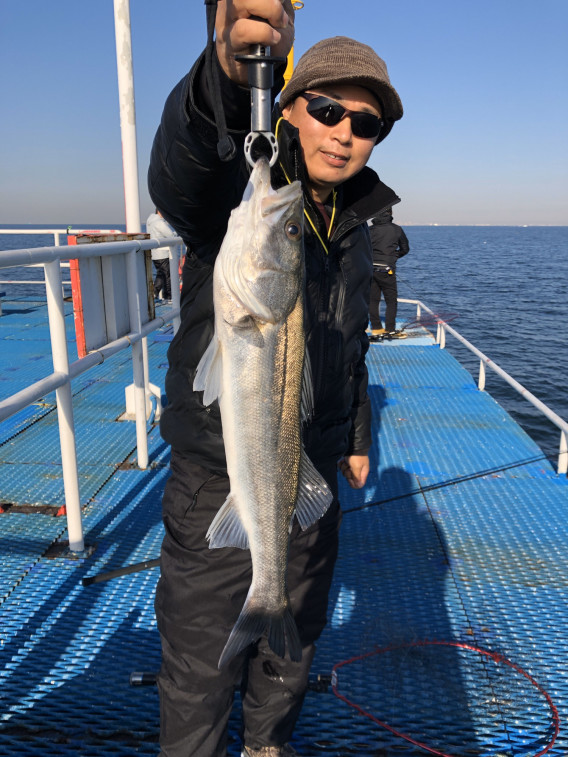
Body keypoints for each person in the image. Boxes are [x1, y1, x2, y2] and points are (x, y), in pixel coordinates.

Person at [148, 1, 403, 754]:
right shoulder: (246, 186)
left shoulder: (364, 221)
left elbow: (349, 345)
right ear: (289, 106)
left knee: (290, 652)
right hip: (215, 479)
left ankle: (266, 746)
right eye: (327, 109)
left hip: (312, 471)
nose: (344, 132)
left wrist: (357, 433)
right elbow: (184, 166)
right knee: (199, 668)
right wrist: (228, 76)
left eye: (366, 124)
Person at [368, 208, 410, 339]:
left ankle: (376, 328)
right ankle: (390, 329)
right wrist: (394, 256)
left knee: (373, 300)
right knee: (391, 301)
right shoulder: (396, 229)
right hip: (387, 270)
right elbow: (405, 248)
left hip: (371, 269)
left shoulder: (370, 230)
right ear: (390, 213)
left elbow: (362, 249)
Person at [146, 208, 174, 300]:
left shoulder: (150, 221)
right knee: (166, 275)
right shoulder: (159, 222)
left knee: (161, 273)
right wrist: (175, 233)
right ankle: (168, 296)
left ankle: (155, 292)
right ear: (159, 211)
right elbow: (170, 235)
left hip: (154, 253)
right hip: (162, 253)